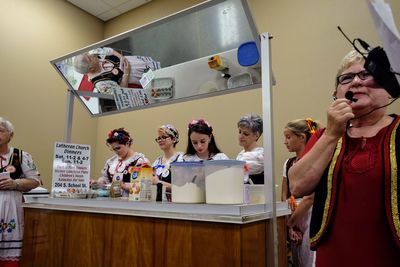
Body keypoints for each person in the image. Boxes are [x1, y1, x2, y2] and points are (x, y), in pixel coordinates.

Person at [289, 50, 400, 266]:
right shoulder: (324, 136)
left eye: (367, 75)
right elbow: (297, 186)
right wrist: (331, 134)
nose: (356, 82)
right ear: (336, 93)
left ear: (389, 90)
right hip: (333, 255)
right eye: (346, 79)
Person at [0, 117, 41, 266]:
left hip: (12, 207)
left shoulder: (22, 156)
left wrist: (15, 183)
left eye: (1, 130)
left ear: (11, 135)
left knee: (10, 256)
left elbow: (36, 181)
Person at [281, 118, 320, 267]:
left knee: (309, 257)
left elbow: (310, 198)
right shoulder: (288, 163)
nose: (285, 141)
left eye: (288, 137)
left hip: (309, 213)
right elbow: (284, 193)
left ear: (302, 137)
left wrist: (292, 223)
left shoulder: (315, 161)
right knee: (297, 259)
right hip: (291, 211)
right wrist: (289, 225)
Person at [74, 47, 161, 94]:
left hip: (133, 62)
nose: (91, 55)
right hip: (134, 76)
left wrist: (121, 57)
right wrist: (126, 72)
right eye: (90, 58)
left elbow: (109, 50)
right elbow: (123, 90)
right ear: (91, 69)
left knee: (154, 65)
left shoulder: (93, 53)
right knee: (159, 78)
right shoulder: (101, 85)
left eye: (87, 54)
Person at [91, 128, 150, 197]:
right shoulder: (111, 162)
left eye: (118, 148)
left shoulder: (140, 161)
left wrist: (123, 185)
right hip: (112, 202)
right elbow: (105, 180)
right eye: (114, 149)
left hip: (132, 204)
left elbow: (145, 188)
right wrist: (97, 183)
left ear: (127, 143)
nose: (116, 152)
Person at [152, 124, 183, 188]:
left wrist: (159, 183)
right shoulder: (157, 162)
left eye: (164, 137)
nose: (160, 140)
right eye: (159, 138)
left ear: (174, 139)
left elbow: (181, 188)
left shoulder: (181, 160)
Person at [236, 114, 264, 184]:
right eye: (240, 132)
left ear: (256, 135)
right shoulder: (241, 154)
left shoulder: (261, 155)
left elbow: (239, 171)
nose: (241, 136)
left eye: (246, 134)